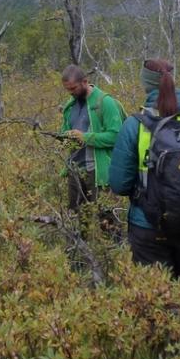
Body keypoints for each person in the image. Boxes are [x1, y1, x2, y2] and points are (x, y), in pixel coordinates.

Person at [108, 58, 180, 345]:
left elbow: (120, 184)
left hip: (148, 227)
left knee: (158, 293)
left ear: (146, 85)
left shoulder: (135, 125)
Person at [59, 64, 125, 234]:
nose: (71, 93)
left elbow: (117, 135)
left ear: (85, 82)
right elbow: (66, 136)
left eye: (73, 88)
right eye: (68, 90)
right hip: (76, 171)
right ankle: (79, 259)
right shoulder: (70, 106)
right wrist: (64, 140)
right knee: (78, 221)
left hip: (100, 172)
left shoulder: (106, 102)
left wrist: (85, 137)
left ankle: (113, 257)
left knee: (107, 221)